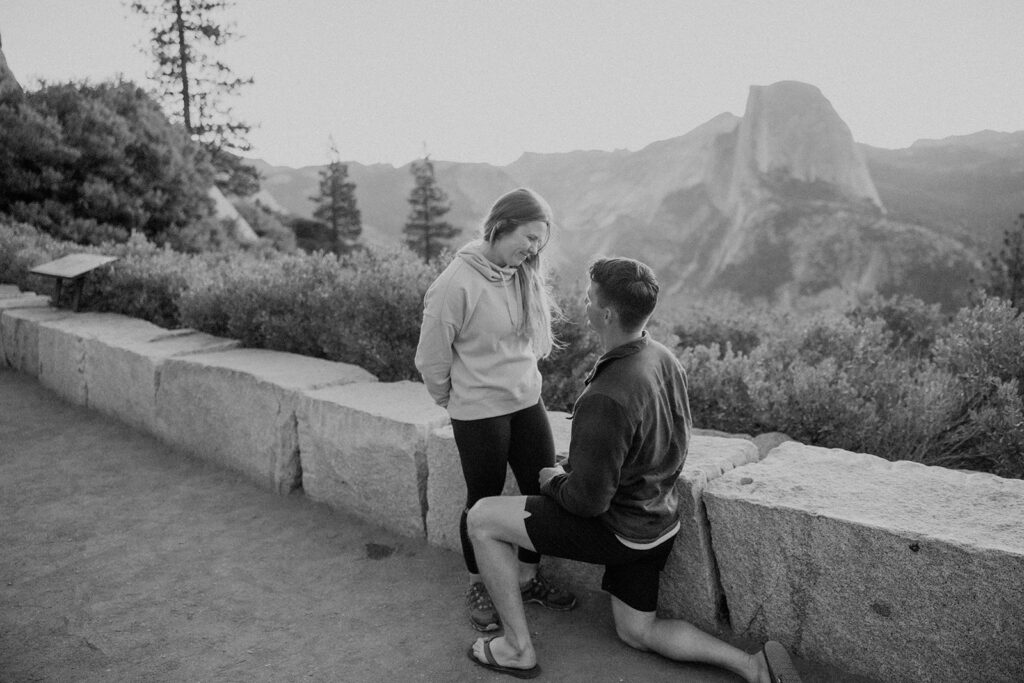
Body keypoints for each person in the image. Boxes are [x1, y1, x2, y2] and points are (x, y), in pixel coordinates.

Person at [464, 257, 802, 682]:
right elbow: (671, 442)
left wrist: (553, 481)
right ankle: (752, 667)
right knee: (637, 631)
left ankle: (516, 648)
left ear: (606, 313)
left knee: (482, 519)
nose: (583, 304)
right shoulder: (663, 358)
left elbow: (588, 502)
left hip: (616, 531)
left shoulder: (606, 395)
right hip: (657, 525)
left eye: (588, 299)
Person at [414, 187, 577, 633]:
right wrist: (456, 400)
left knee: (541, 491)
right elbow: (431, 359)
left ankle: (527, 577)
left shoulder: (522, 275)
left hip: (527, 403)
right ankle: (479, 583)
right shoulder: (454, 285)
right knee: (481, 501)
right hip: (478, 413)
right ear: (501, 226)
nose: (533, 249)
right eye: (528, 238)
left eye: (539, 243)